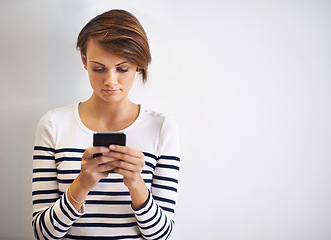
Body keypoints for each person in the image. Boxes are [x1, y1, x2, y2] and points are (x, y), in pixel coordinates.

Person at [32, 9, 180, 240]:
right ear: (84, 61)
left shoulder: (161, 128)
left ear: (138, 65)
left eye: (123, 68)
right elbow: (43, 234)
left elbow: (161, 235)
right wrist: (81, 184)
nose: (110, 80)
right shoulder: (54, 125)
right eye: (98, 68)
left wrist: (135, 183)